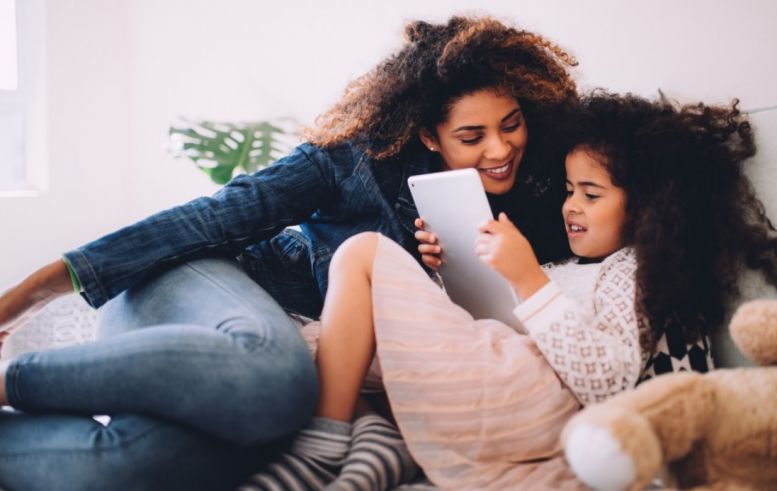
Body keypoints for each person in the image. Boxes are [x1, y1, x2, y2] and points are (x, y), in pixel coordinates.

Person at [0, 16, 578, 491]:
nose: (501, 149)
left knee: (141, 465)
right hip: (201, 284)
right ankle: (12, 380)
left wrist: (443, 278)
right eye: (472, 137)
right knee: (277, 379)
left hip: (214, 368)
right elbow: (212, 218)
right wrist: (24, 297)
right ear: (429, 134)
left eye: (511, 125)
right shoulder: (350, 159)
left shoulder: (545, 197)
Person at [240, 91, 777, 490]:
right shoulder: (576, 267)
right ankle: (369, 442)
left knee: (362, 254)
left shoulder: (635, 271)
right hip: (516, 385)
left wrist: (527, 278)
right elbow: (513, 325)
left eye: (590, 194)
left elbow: (608, 380)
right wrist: (445, 278)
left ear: (648, 210)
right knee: (349, 344)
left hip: (542, 401)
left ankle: (321, 445)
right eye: (568, 189)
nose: (570, 205)